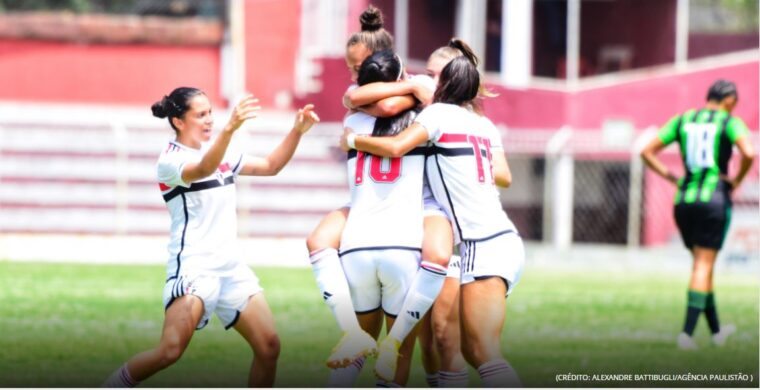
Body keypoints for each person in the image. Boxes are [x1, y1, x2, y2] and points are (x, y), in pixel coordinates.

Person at [102, 87, 319, 387]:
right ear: (178, 121)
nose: (209, 120)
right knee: (170, 351)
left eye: (210, 113)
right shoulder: (170, 160)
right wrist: (230, 128)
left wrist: (297, 131)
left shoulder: (222, 150)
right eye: (200, 115)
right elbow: (204, 169)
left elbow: (271, 166)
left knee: (269, 347)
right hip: (195, 268)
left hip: (231, 268)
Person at [341, 49, 525, 387]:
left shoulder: (439, 114)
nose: (426, 80)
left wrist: (352, 140)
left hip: (481, 242)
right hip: (489, 240)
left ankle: (395, 348)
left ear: (448, 83)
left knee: (481, 351)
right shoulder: (477, 121)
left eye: (435, 75)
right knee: (463, 347)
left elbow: (395, 145)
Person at [331, 49, 440, 387]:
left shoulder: (352, 121)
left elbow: (371, 102)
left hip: (356, 247)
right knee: (397, 357)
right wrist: (407, 86)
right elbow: (402, 104)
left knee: (356, 347)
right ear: (399, 77)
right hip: (402, 246)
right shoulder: (424, 118)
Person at [305, 5, 396, 369]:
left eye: (358, 68)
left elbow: (390, 103)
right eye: (350, 68)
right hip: (365, 206)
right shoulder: (360, 102)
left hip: (406, 211)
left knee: (434, 345)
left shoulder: (414, 99)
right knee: (318, 241)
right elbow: (359, 100)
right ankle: (350, 332)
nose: (353, 76)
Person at [640, 79, 754, 350]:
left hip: (684, 201)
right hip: (714, 200)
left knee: (701, 267)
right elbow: (749, 152)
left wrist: (673, 178)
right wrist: (737, 180)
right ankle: (686, 335)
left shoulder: (683, 120)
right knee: (703, 266)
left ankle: (716, 332)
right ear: (728, 99)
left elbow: (646, 151)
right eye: (735, 103)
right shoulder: (729, 122)